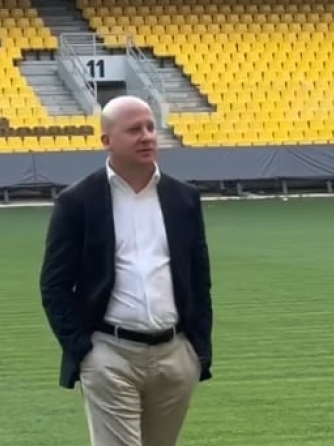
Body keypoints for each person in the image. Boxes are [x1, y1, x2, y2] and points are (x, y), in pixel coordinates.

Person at [39, 95, 214, 446]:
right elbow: (54, 285)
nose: (147, 136)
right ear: (107, 140)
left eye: (150, 127)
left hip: (175, 357)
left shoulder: (184, 198)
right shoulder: (77, 202)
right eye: (134, 130)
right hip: (110, 355)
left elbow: (199, 279)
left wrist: (198, 350)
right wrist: (83, 350)